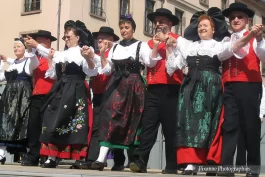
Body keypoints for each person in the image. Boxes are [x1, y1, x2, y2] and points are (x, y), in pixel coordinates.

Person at [162, 7, 261, 176]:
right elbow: (172, 65)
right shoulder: (189, 45)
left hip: (212, 89)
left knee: (211, 126)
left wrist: (251, 35)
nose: (202, 28)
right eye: (200, 25)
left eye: (206, 25)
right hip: (190, 89)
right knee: (189, 124)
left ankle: (214, 163)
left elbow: (236, 46)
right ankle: (191, 163)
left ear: (213, 29)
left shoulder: (219, 45)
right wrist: (168, 44)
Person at [25, 20, 99, 168]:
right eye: (65, 37)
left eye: (69, 36)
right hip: (60, 89)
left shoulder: (82, 52)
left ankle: (79, 157)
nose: (66, 39)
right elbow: (52, 74)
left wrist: (88, 58)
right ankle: (52, 156)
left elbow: (92, 71)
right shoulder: (61, 54)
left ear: (78, 37)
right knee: (52, 120)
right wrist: (47, 56)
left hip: (76, 89)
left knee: (77, 124)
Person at [90, 28, 160, 171]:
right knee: (110, 116)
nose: (123, 30)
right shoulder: (115, 46)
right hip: (117, 83)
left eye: (127, 27)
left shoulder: (141, 45)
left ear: (133, 29)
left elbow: (151, 63)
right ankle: (102, 158)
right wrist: (103, 54)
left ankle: (132, 160)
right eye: (121, 27)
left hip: (134, 85)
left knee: (133, 119)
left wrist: (156, 46)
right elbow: (108, 69)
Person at [129, 8, 183, 174]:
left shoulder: (179, 40)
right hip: (152, 89)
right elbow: (147, 63)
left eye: (162, 21)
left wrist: (167, 41)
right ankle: (140, 161)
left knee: (170, 129)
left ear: (170, 23)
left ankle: (172, 165)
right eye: (156, 21)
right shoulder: (149, 43)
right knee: (148, 127)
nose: (158, 24)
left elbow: (181, 60)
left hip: (171, 89)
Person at [220, 2, 265, 177]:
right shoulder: (226, 39)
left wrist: (260, 38)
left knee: (251, 127)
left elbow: (263, 56)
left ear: (247, 19)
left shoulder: (256, 39)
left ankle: (252, 168)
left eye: (240, 17)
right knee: (229, 126)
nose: (236, 19)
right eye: (232, 17)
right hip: (229, 86)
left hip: (249, 86)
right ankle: (226, 168)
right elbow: (224, 54)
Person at [71, 26, 119, 170]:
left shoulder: (116, 52)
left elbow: (108, 67)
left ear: (111, 40)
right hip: (98, 94)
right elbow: (91, 71)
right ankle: (92, 158)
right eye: (99, 37)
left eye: (104, 37)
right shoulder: (96, 53)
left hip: (112, 94)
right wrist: (88, 56)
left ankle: (115, 160)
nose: (100, 39)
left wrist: (93, 55)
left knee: (111, 127)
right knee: (96, 126)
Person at [0, 37, 39, 165]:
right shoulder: (12, 64)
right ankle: (1, 153)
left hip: (22, 97)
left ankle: (29, 153)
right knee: (6, 123)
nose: (16, 49)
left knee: (23, 124)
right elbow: (2, 78)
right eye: (15, 47)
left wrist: (30, 49)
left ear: (24, 49)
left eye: (19, 46)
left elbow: (34, 63)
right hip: (9, 97)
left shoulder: (28, 62)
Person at [21, 30, 57, 166]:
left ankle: (47, 155)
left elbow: (53, 72)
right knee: (34, 125)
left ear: (48, 42)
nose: (38, 43)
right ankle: (33, 155)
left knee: (47, 126)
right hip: (36, 94)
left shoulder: (53, 53)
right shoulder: (35, 57)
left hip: (50, 94)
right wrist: (30, 49)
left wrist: (36, 47)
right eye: (37, 40)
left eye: (41, 40)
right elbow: (30, 70)